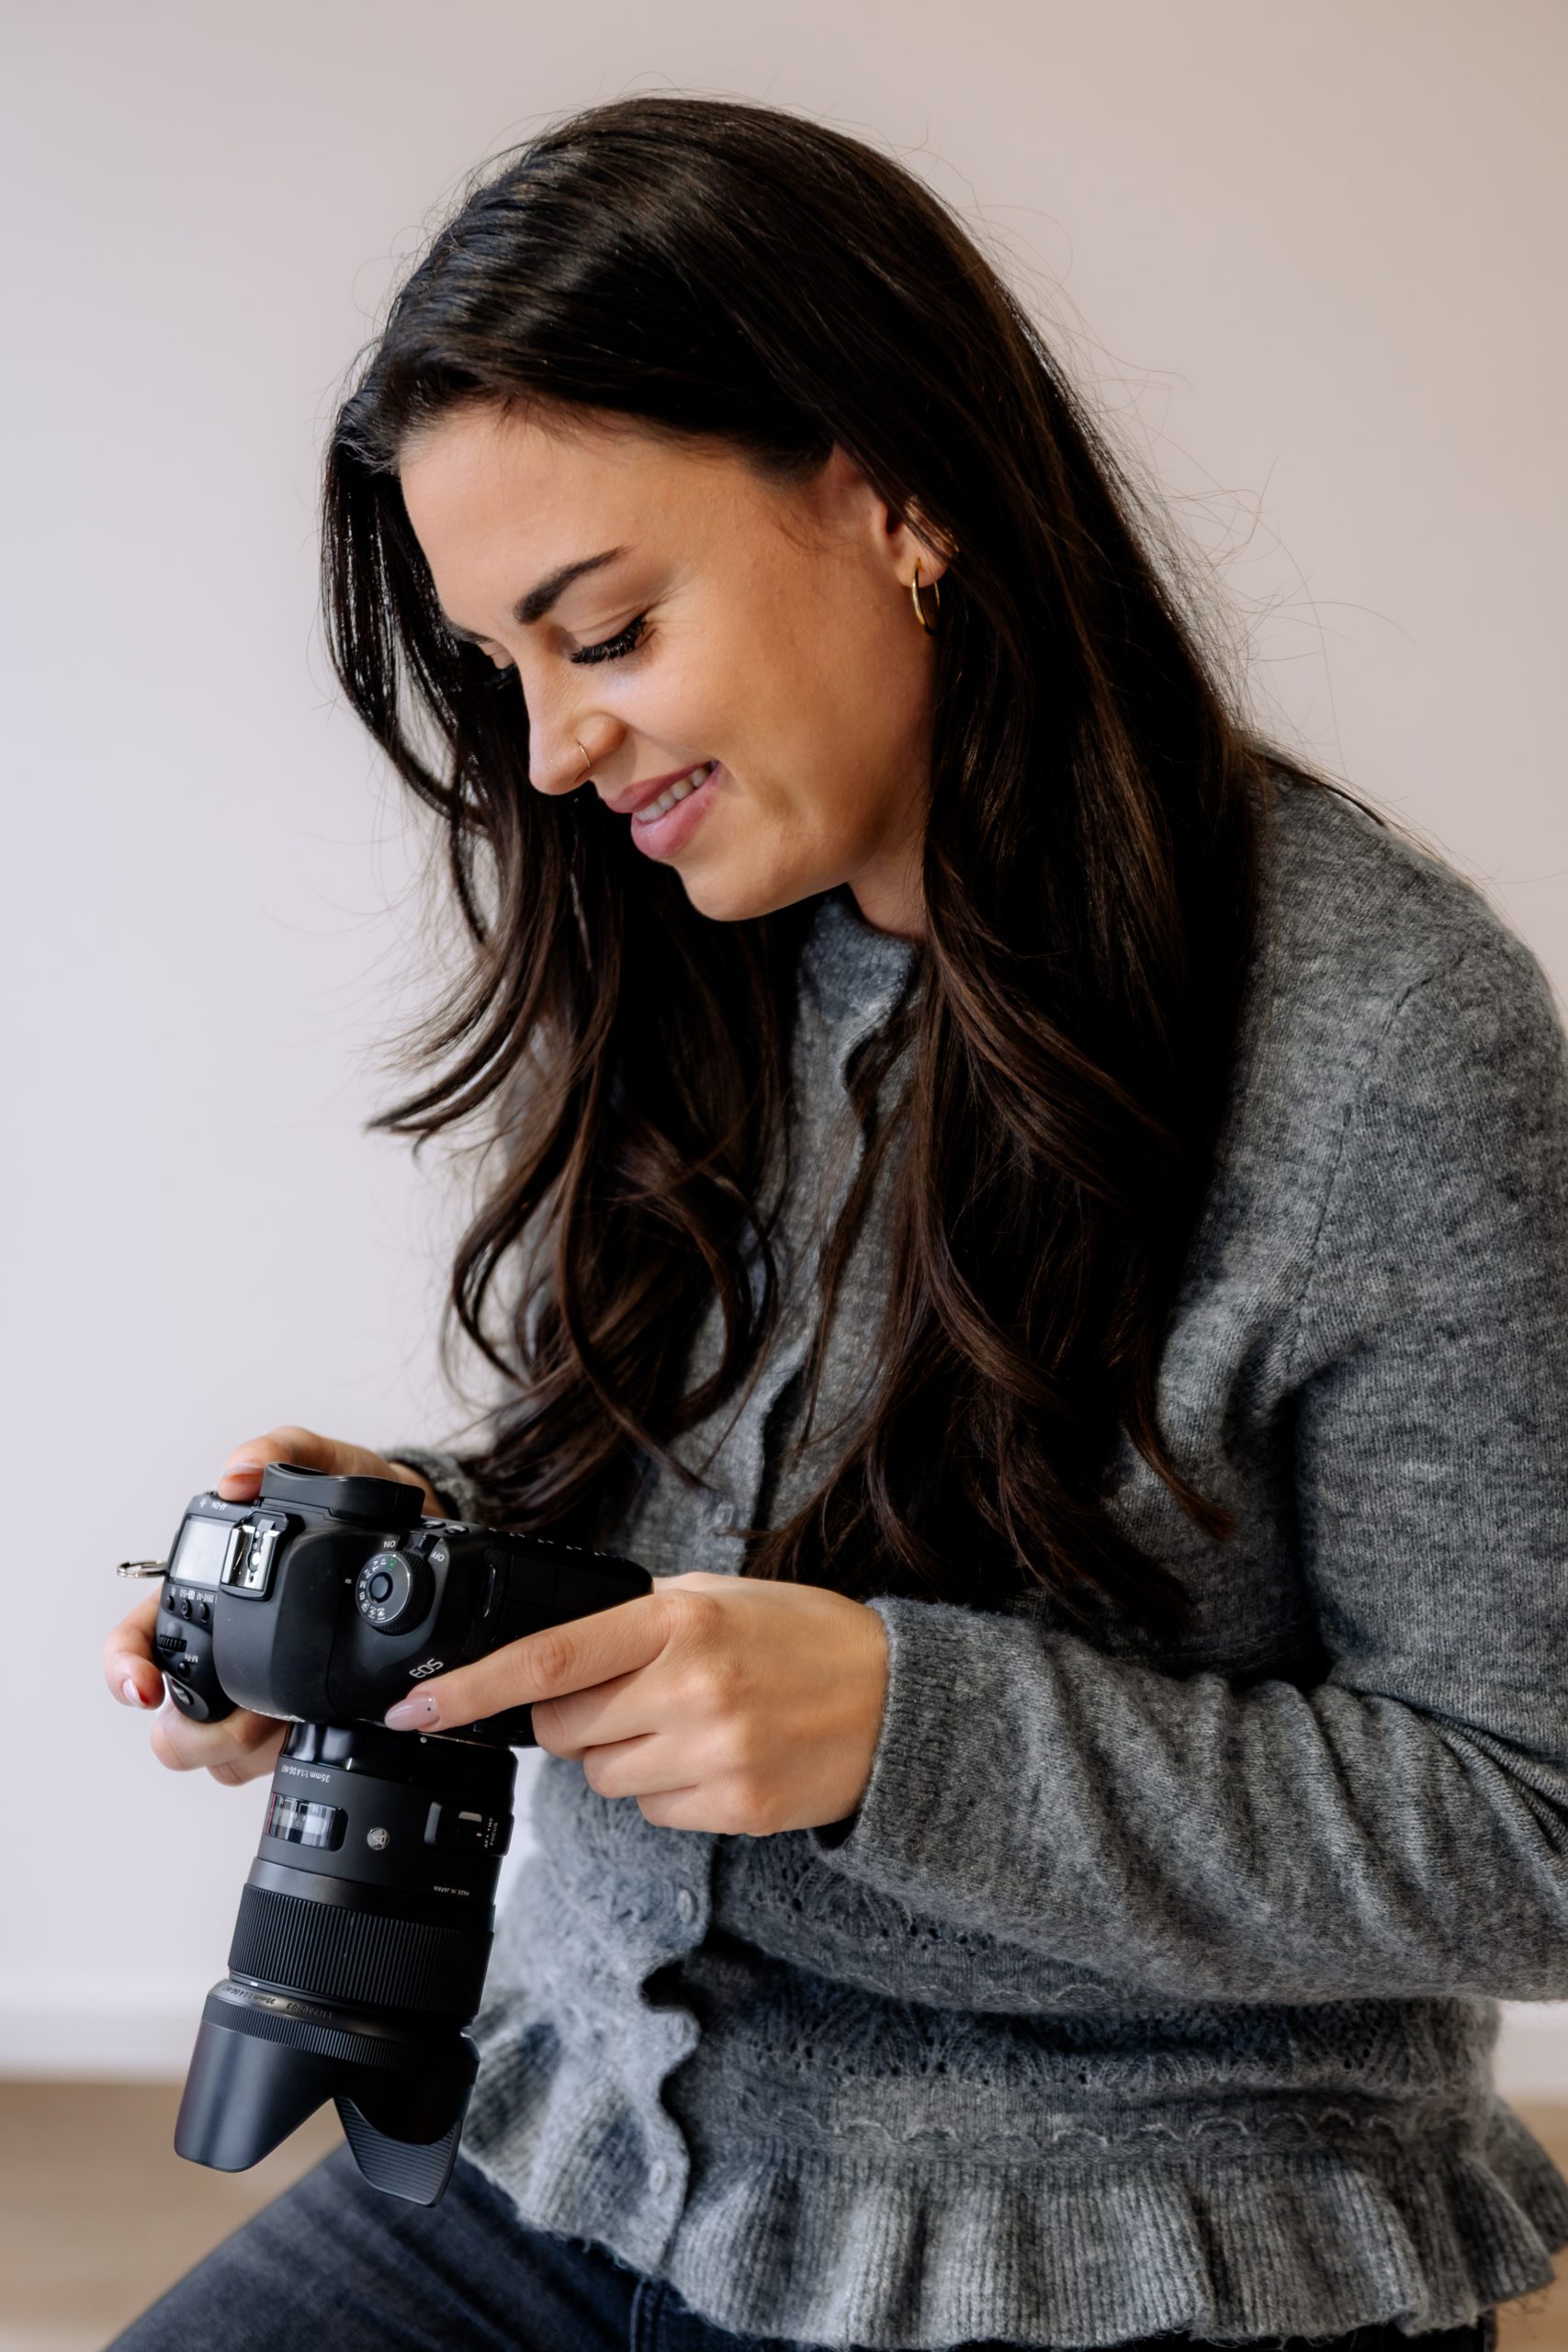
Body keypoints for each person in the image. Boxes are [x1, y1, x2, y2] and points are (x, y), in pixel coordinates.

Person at [101, 91, 1568, 2352]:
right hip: (583, 2157)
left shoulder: (1377, 1038)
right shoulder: (701, 940)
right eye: (503, 667)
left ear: (893, 494)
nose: (554, 751)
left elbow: (1533, 1824)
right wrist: (422, 1560)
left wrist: (905, 1729)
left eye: (604, 629)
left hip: (1121, 2252)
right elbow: (707, 1518)